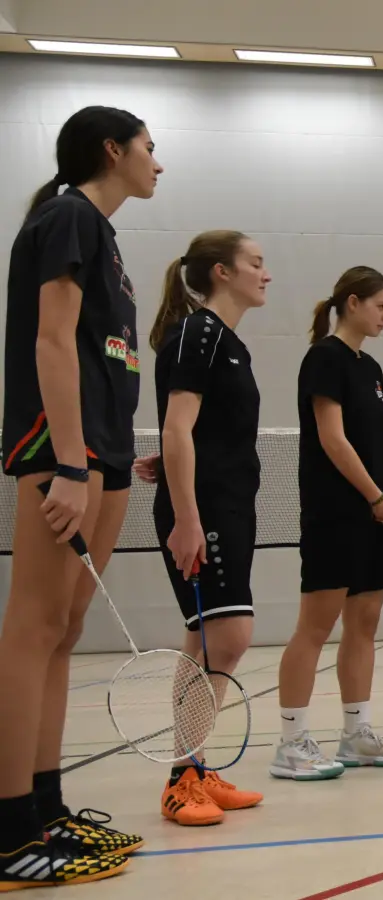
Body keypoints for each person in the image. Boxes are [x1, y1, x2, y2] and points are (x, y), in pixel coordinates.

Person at [0, 106, 160, 889]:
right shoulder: (68, 216)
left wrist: (125, 453)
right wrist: (67, 461)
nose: (157, 162)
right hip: (64, 452)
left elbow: (104, 358)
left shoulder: (108, 239)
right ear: (112, 150)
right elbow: (51, 340)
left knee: (65, 629)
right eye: (149, 147)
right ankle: (6, 829)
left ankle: (44, 804)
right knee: (31, 629)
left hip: (107, 451)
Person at [271, 267, 383, 781]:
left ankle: (357, 734)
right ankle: (291, 742)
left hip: (375, 512)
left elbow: (381, 438)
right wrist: (373, 495)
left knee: (366, 622)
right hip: (337, 511)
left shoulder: (370, 366)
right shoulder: (324, 359)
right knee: (315, 625)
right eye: (380, 306)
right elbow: (332, 439)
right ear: (352, 303)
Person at [148, 231, 270, 824]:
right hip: (204, 511)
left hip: (226, 504)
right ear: (222, 272)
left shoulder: (228, 341)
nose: (265, 273)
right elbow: (175, 428)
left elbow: (195, 432)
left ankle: (194, 767)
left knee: (209, 638)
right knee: (227, 635)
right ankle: (181, 777)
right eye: (256, 262)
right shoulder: (200, 332)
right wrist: (187, 517)